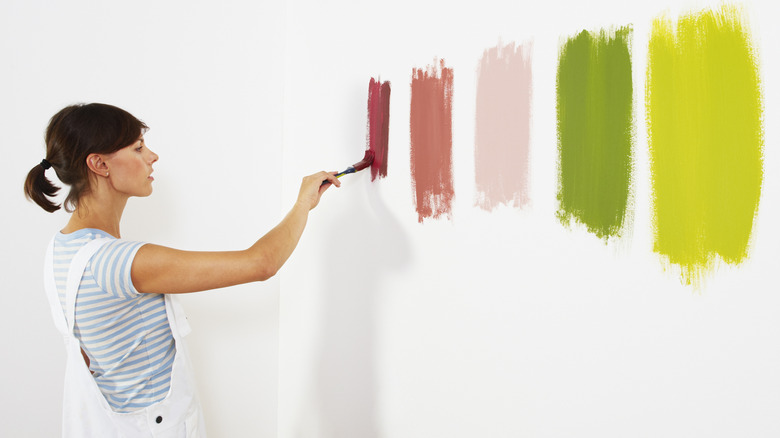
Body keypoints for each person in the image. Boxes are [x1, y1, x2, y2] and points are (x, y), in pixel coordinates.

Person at [24, 103, 340, 437]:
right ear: (98, 164)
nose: (152, 156)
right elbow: (261, 263)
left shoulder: (63, 249)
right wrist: (302, 204)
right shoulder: (116, 263)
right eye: (138, 147)